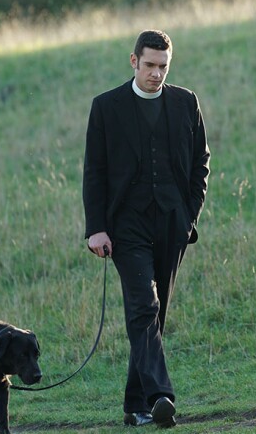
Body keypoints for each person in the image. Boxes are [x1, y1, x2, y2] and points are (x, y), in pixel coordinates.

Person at [82, 29, 210, 428]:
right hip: (125, 225)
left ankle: (135, 405)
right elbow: (95, 172)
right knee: (144, 306)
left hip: (172, 222)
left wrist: (189, 215)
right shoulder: (106, 107)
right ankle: (161, 394)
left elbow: (200, 164)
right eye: (150, 65)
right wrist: (96, 228)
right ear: (134, 61)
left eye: (164, 67)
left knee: (155, 315)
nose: (157, 74)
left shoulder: (185, 102)